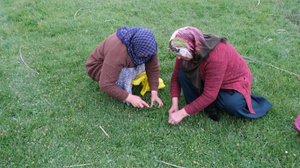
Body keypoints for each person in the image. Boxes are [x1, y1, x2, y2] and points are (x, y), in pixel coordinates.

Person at [167, 26, 272, 124]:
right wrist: (174, 103)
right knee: (182, 74)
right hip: (207, 76)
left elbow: (210, 95)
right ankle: (201, 103)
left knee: (232, 105)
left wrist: (182, 113)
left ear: (193, 48)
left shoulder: (215, 56)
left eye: (181, 55)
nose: (179, 58)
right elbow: (175, 77)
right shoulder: (188, 47)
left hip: (232, 81)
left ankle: (208, 101)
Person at [86, 26, 163, 108]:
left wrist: (154, 93)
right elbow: (105, 84)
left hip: (118, 63)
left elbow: (152, 68)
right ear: (134, 47)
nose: (147, 56)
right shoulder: (118, 53)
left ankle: (130, 78)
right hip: (98, 68)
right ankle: (126, 92)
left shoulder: (149, 47)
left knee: (148, 60)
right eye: (143, 54)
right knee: (126, 73)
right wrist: (130, 98)